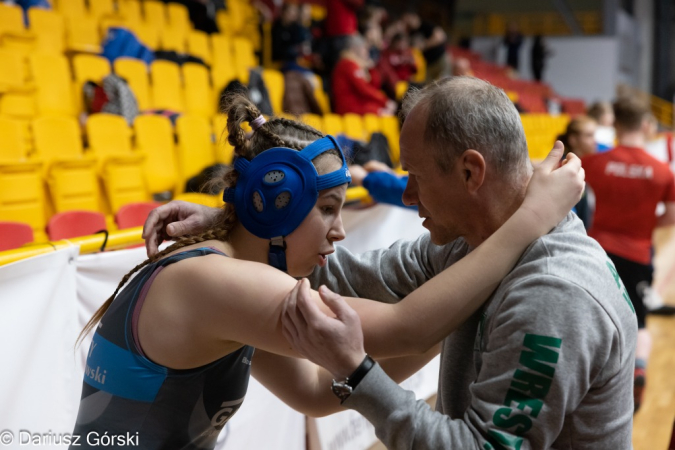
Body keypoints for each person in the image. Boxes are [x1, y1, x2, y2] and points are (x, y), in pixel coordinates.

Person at [144, 77, 634, 449]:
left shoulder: (555, 291)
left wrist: (357, 373)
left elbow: (470, 433)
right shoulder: (464, 243)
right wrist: (246, 220)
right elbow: (344, 274)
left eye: (415, 175)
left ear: (470, 172)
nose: (406, 194)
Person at [582, 96, 675, 413]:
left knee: (592, 315)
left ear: (616, 123)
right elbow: (673, 214)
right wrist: (648, 224)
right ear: (647, 125)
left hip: (597, 251)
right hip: (637, 253)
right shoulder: (662, 171)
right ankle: (638, 369)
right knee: (640, 320)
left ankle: (589, 378)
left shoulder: (594, 163)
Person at [331, 35, 396, 116]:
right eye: (364, 48)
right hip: (349, 108)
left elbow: (374, 86)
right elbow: (363, 89)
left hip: (358, 104)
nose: (367, 52)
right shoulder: (348, 64)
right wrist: (385, 101)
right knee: (385, 113)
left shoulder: (357, 65)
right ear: (355, 48)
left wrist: (371, 69)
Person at [556, 115, 598, 228]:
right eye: (589, 135)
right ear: (573, 140)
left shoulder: (591, 164)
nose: (594, 141)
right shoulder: (563, 168)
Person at [402, 11, 451, 82]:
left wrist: (424, 45)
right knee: (430, 87)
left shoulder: (426, 25)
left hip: (440, 59)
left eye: (408, 19)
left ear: (415, 17)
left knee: (444, 83)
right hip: (428, 63)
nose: (407, 22)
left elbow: (440, 37)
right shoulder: (410, 32)